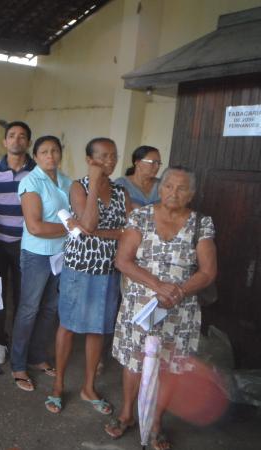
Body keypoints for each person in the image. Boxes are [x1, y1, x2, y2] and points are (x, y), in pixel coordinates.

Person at [105, 166, 217, 450]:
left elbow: (207, 271)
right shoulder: (140, 216)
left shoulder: (201, 223)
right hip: (141, 305)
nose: (173, 193)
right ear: (160, 188)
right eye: (168, 186)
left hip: (180, 310)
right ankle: (127, 414)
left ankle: (156, 423)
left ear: (191, 194)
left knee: (169, 367)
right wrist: (157, 285)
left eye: (181, 188)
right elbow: (123, 260)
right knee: (134, 362)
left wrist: (179, 291)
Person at [50, 137, 131, 415]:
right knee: (69, 325)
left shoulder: (122, 192)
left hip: (108, 269)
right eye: (104, 157)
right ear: (90, 160)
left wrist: (100, 234)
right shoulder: (78, 186)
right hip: (80, 266)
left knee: (97, 328)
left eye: (114, 156)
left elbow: (129, 232)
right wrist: (95, 184)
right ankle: (58, 386)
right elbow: (87, 223)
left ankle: (88, 387)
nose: (110, 161)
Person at [10, 136, 73, 393]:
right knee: (28, 309)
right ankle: (18, 364)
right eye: (44, 152)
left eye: (55, 151)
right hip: (37, 255)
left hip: (60, 254)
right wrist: (72, 228)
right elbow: (35, 227)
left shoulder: (68, 181)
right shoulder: (31, 182)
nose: (51, 156)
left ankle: (37, 357)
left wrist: (68, 229)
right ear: (35, 157)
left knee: (50, 309)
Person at [0, 121, 35, 364]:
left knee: (23, 296)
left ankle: (20, 345)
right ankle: (0, 341)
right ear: (4, 142)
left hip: (27, 243)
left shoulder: (37, 172)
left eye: (22, 136)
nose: (16, 140)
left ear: (28, 142)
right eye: (11, 136)